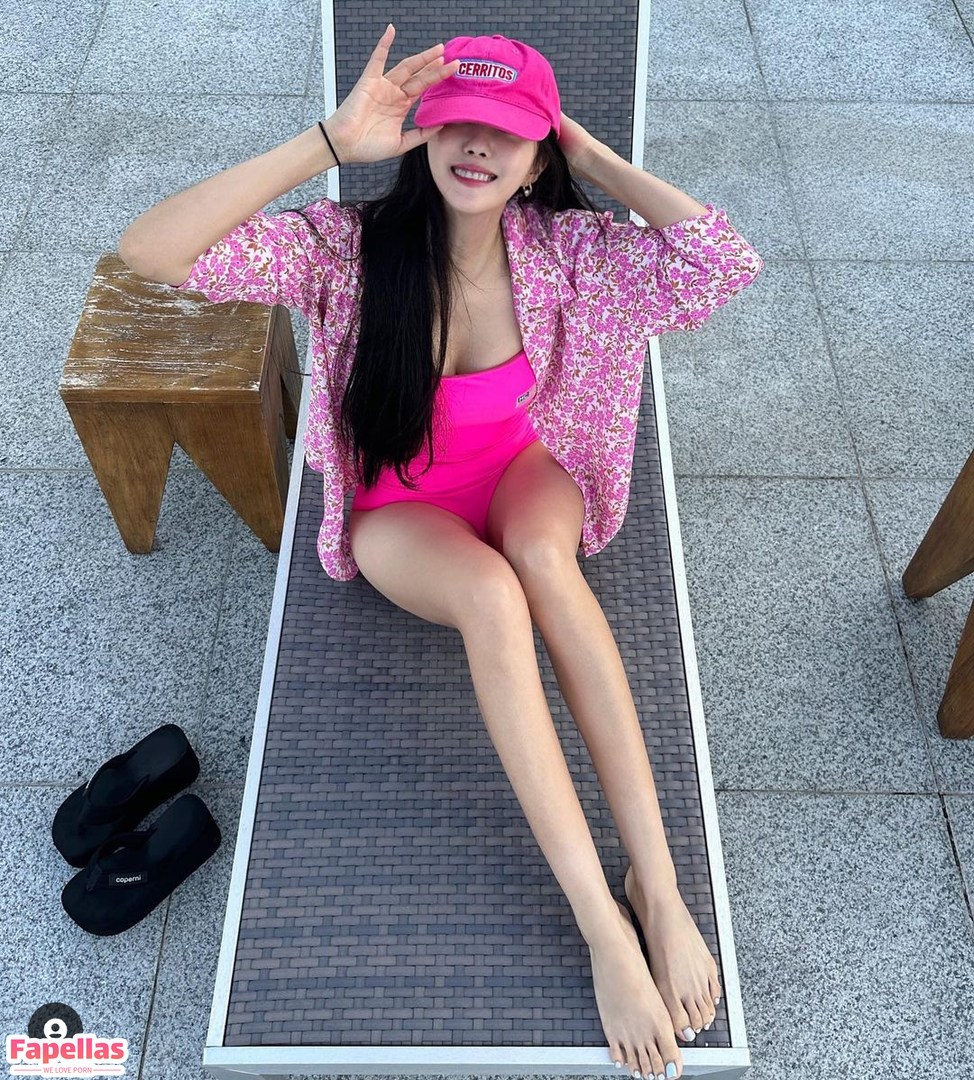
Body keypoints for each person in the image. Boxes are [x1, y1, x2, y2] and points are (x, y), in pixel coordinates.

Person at [119, 25, 764, 1080]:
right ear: (420, 134)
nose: (476, 147)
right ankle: (601, 923)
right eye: (457, 123)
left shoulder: (566, 251)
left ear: (537, 154)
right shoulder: (345, 249)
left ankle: (654, 882)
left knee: (544, 565)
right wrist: (328, 143)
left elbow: (721, 263)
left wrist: (592, 157)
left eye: (506, 132)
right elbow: (152, 251)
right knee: (493, 597)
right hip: (399, 506)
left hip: (523, 470)